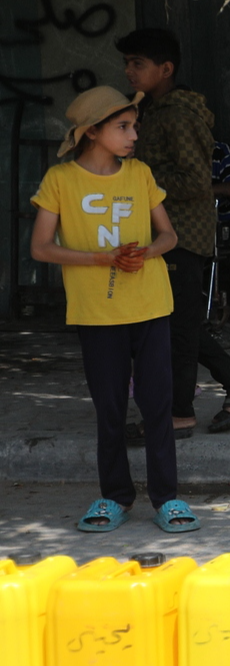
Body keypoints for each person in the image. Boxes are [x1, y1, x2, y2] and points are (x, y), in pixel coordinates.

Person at [28, 87, 198, 534]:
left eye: (134, 126)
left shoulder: (140, 174)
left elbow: (169, 236)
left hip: (150, 305)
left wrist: (145, 252)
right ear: (91, 132)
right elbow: (41, 248)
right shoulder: (60, 180)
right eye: (123, 127)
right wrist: (103, 259)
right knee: (110, 409)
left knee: (158, 405)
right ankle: (115, 496)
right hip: (96, 313)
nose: (133, 136)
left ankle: (167, 499)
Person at [118, 28, 230, 436]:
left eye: (138, 63)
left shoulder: (178, 115)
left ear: (166, 68)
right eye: (127, 63)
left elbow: (195, 181)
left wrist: (140, 179)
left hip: (182, 234)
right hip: (165, 233)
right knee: (177, 323)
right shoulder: (153, 110)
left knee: (178, 329)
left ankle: (179, 414)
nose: (129, 71)